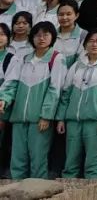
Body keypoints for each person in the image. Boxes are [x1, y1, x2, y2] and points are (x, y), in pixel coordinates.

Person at [0, 21, 67, 179]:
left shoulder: (57, 58)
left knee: (38, 160)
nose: (41, 38)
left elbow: (55, 89)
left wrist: (46, 115)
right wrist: (4, 99)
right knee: (17, 160)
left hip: (40, 120)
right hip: (18, 117)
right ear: (32, 38)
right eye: (37, 35)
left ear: (53, 37)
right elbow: (11, 83)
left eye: (46, 34)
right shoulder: (22, 59)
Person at [55, 29, 97, 178]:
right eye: (91, 41)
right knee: (70, 163)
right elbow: (66, 93)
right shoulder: (77, 65)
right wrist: (60, 118)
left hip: (95, 122)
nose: (95, 44)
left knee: (93, 163)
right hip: (73, 121)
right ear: (84, 45)